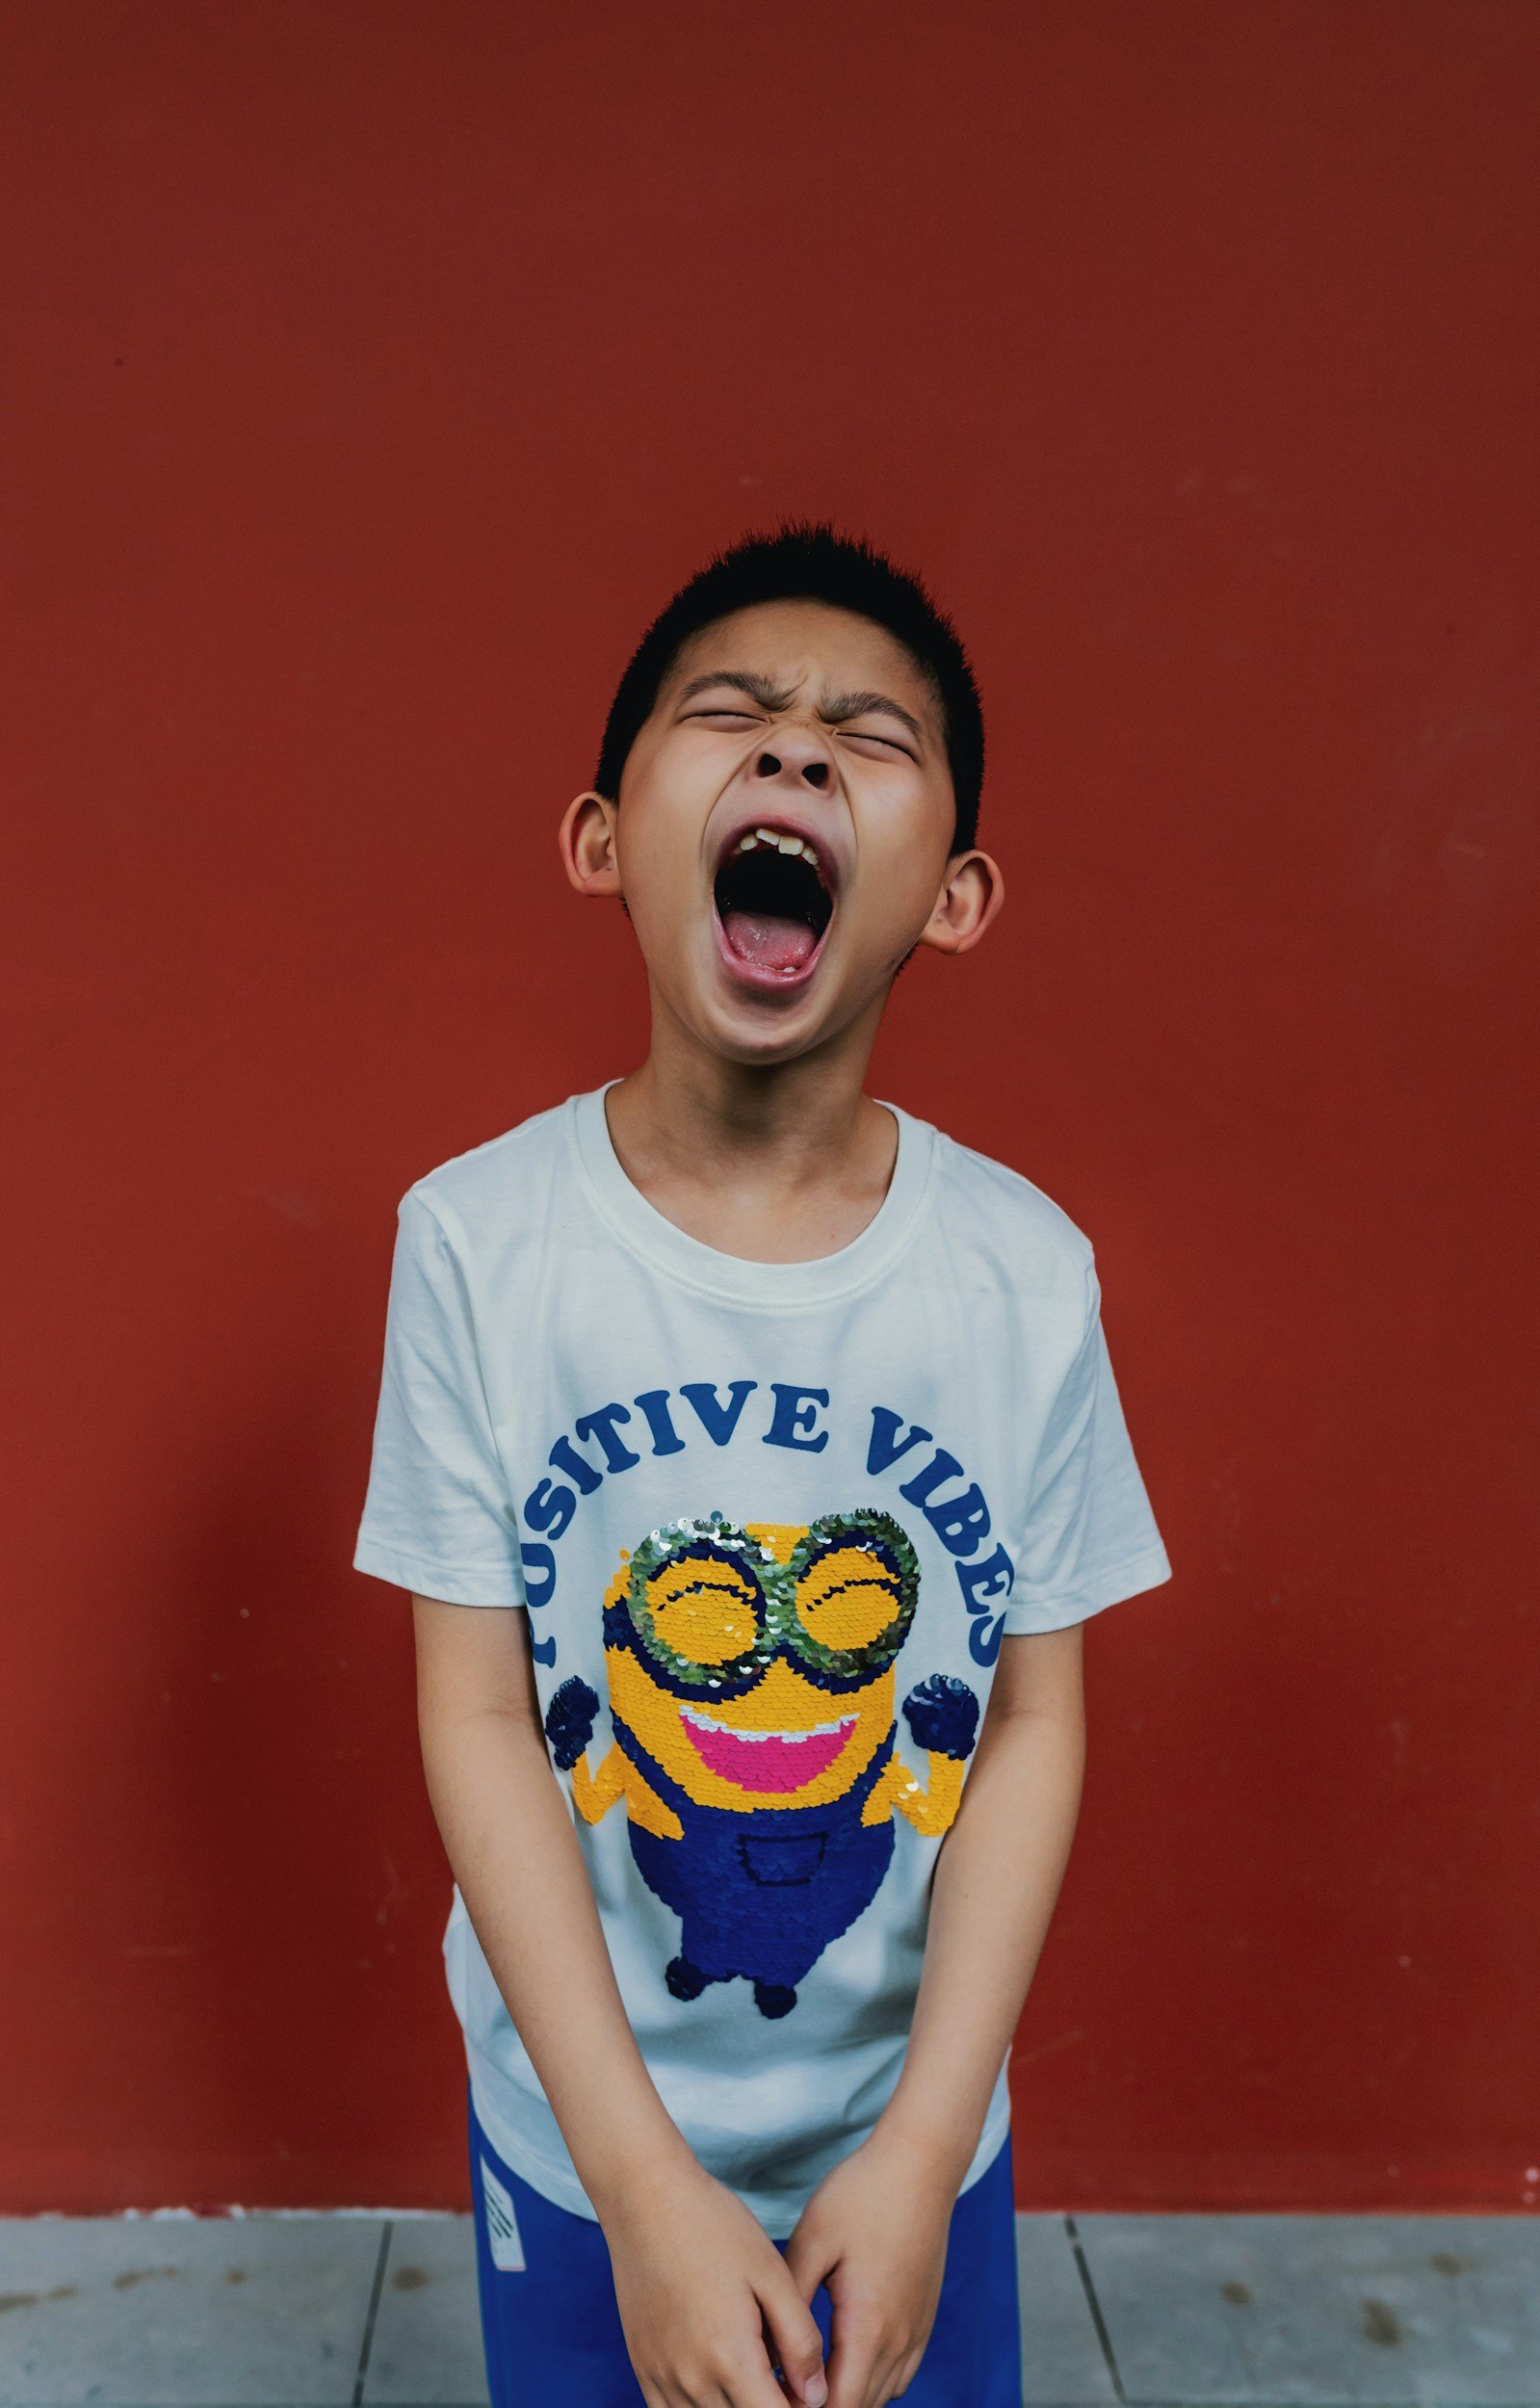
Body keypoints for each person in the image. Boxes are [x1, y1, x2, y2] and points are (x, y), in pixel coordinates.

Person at [352, 524, 1171, 2408]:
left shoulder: (1020, 1273)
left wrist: (916, 2153)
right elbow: (478, 1711)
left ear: (955, 894)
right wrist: (637, 2182)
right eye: (732, 715)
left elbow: (1031, 1721)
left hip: (908, 2152)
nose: (795, 751)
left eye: (863, 735)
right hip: (577, 2142)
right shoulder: (476, 1239)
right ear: (598, 836)